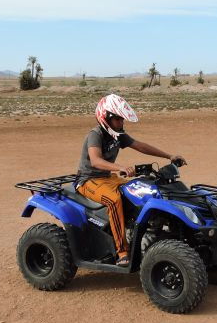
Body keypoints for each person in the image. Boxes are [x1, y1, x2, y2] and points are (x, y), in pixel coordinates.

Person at [75, 94, 186, 266]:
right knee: (114, 200)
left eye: (122, 119)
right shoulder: (95, 134)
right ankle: (122, 252)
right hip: (88, 181)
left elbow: (140, 146)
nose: (121, 123)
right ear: (106, 118)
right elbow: (96, 160)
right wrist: (120, 167)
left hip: (108, 178)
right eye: (118, 119)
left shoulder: (118, 135)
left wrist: (169, 156)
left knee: (141, 190)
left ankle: (142, 232)